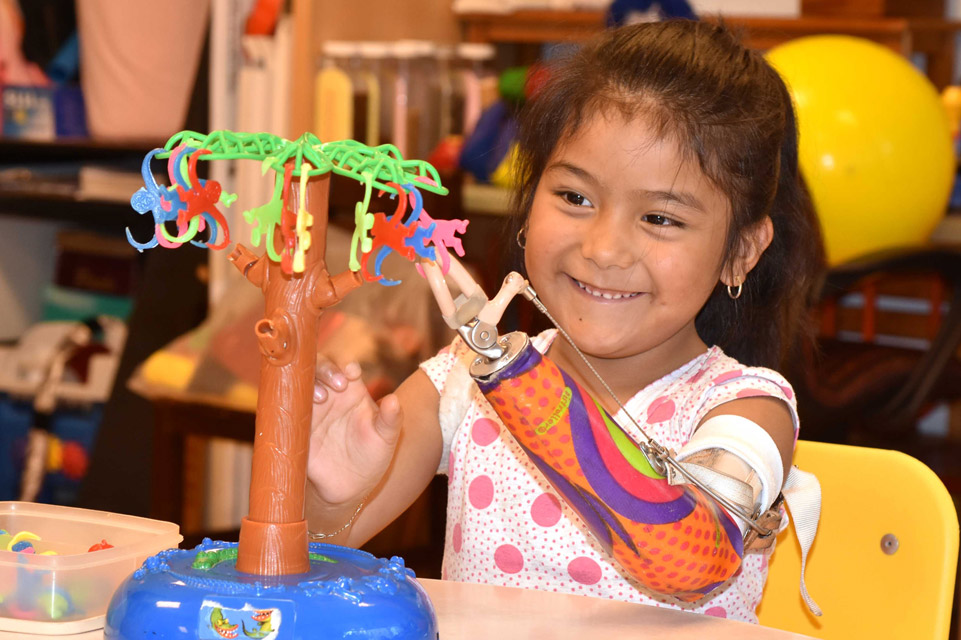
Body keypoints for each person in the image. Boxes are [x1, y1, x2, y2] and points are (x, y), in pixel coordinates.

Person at [306, 19, 824, 624]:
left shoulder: (747, 409)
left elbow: (691, 557)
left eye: (660, 218)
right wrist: (328, 492)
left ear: (740, 251)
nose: (603, 248)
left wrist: (525, 393)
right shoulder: (461, 382)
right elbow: (305, 559)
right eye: (575, 198)